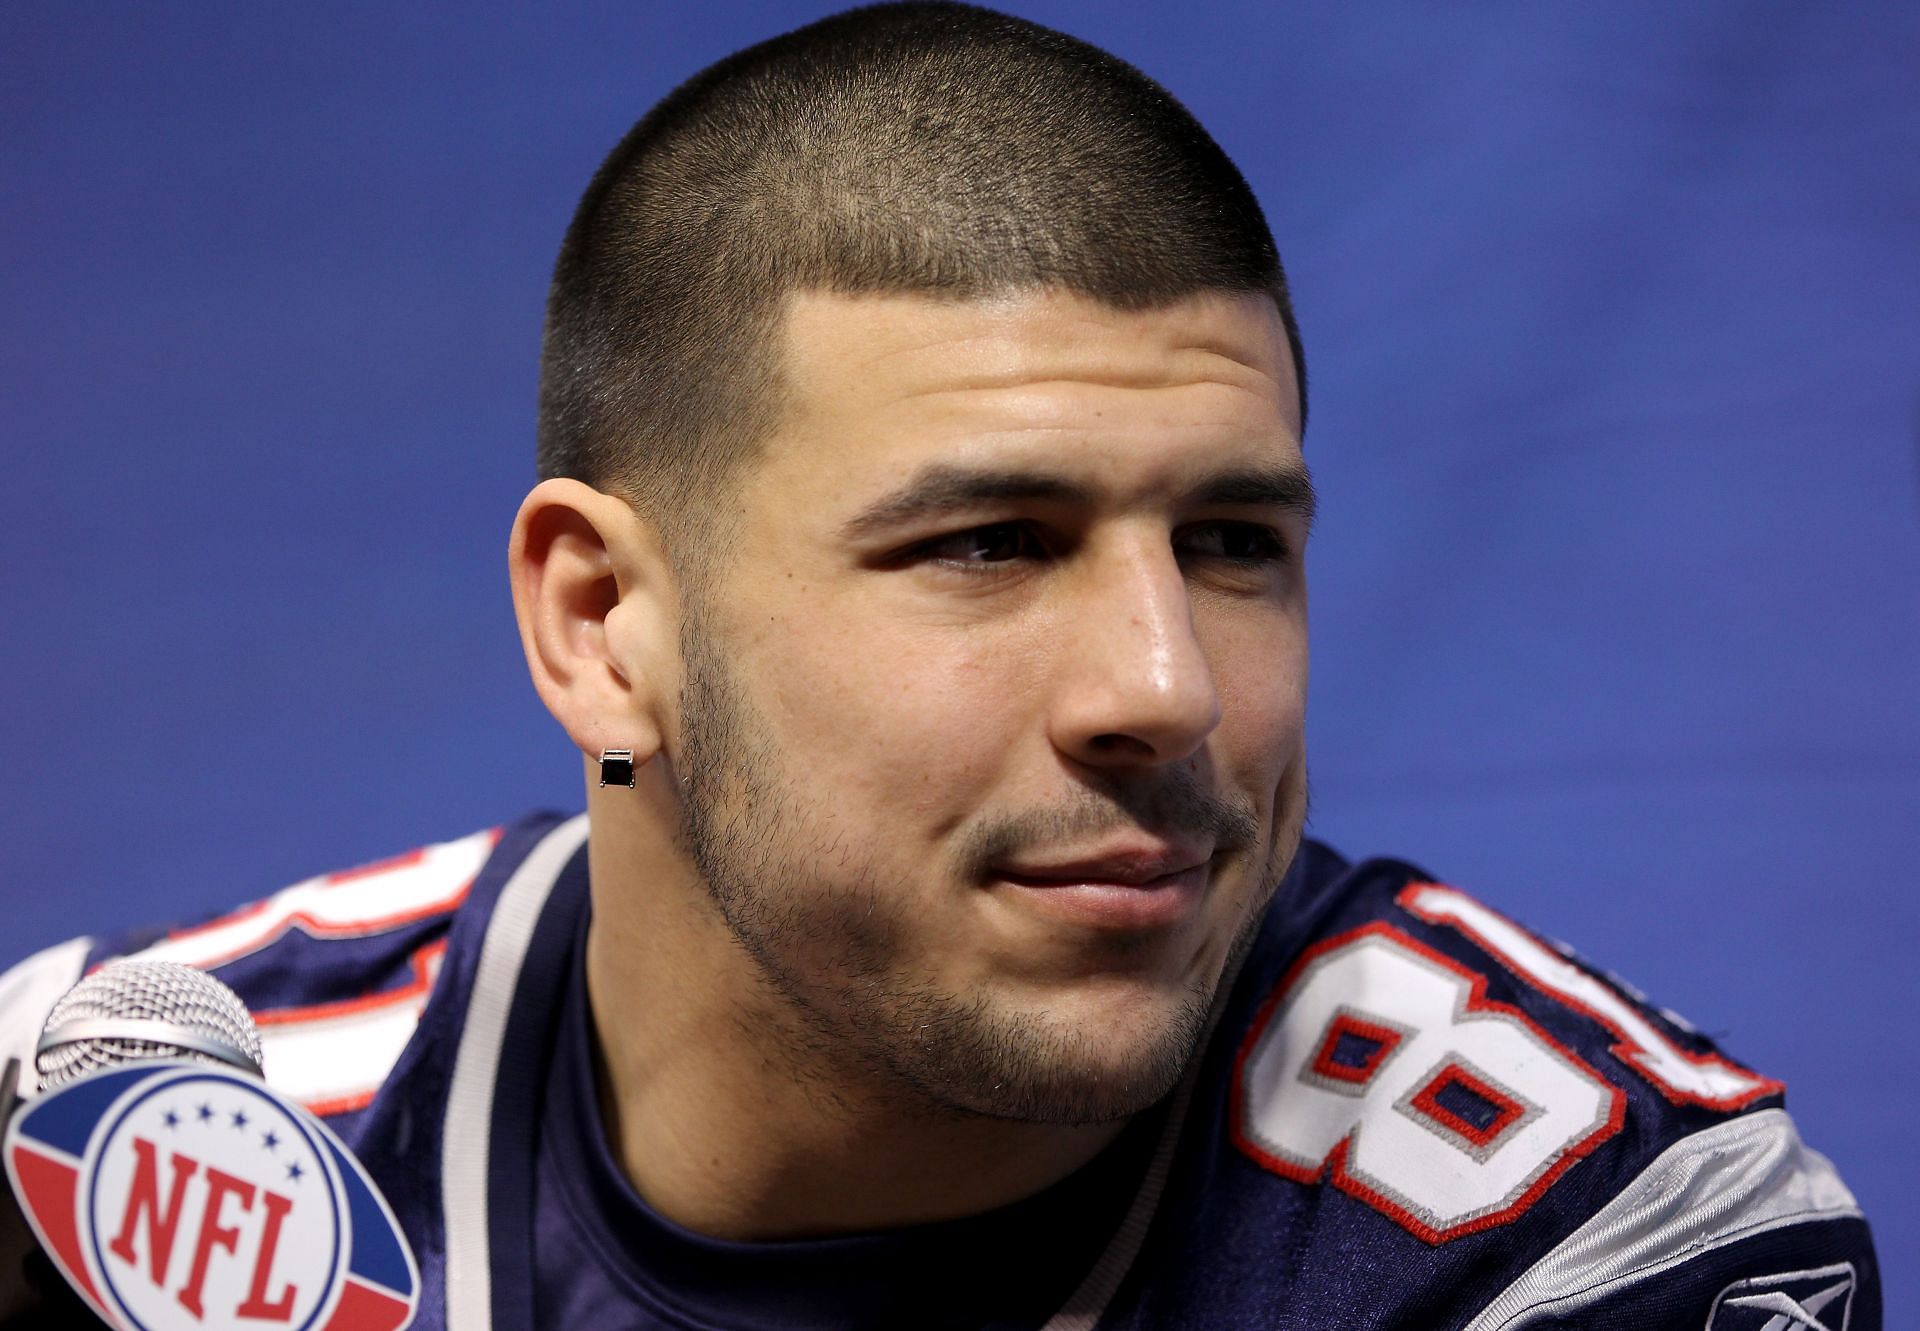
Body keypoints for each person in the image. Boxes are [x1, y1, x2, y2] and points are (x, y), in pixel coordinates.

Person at [0, 4, 1880, 1327]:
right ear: (602, 625)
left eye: (1233, 544)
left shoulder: (1584, 1241)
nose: (1168, 689)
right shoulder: (107, 1153)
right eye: (989, 543)